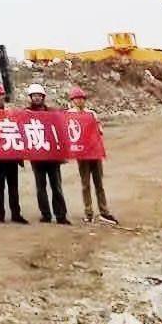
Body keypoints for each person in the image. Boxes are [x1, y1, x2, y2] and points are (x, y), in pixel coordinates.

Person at [67, 84, 117, 224]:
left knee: (99, 183)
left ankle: (104, 211)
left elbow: (99, 130)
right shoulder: (69, 115)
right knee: (85, 184)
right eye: (76, 99)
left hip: (94, 152)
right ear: (72, 100)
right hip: (82, 155)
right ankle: (88, 212)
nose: (79, 101)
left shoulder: (91, 114)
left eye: (81, 99)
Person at [26, 82, 70, 224]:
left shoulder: (52, 113)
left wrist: (63, 153)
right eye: (34, 96)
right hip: (37, 157)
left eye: (39, 95)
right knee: (41, 187)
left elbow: (60, 132)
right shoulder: (25, 114)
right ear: (30, 97)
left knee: (56, 186)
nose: (37, 98)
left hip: (52, 157)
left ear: (43, 97)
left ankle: (60, 215)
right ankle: (45, 214)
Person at [0, 83, 26, 223]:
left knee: (13, 186)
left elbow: (19, 130)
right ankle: (0, 213)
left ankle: (16, 213)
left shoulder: (11, 112)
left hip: (11, 154)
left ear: (4, 96)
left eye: (0, 94)